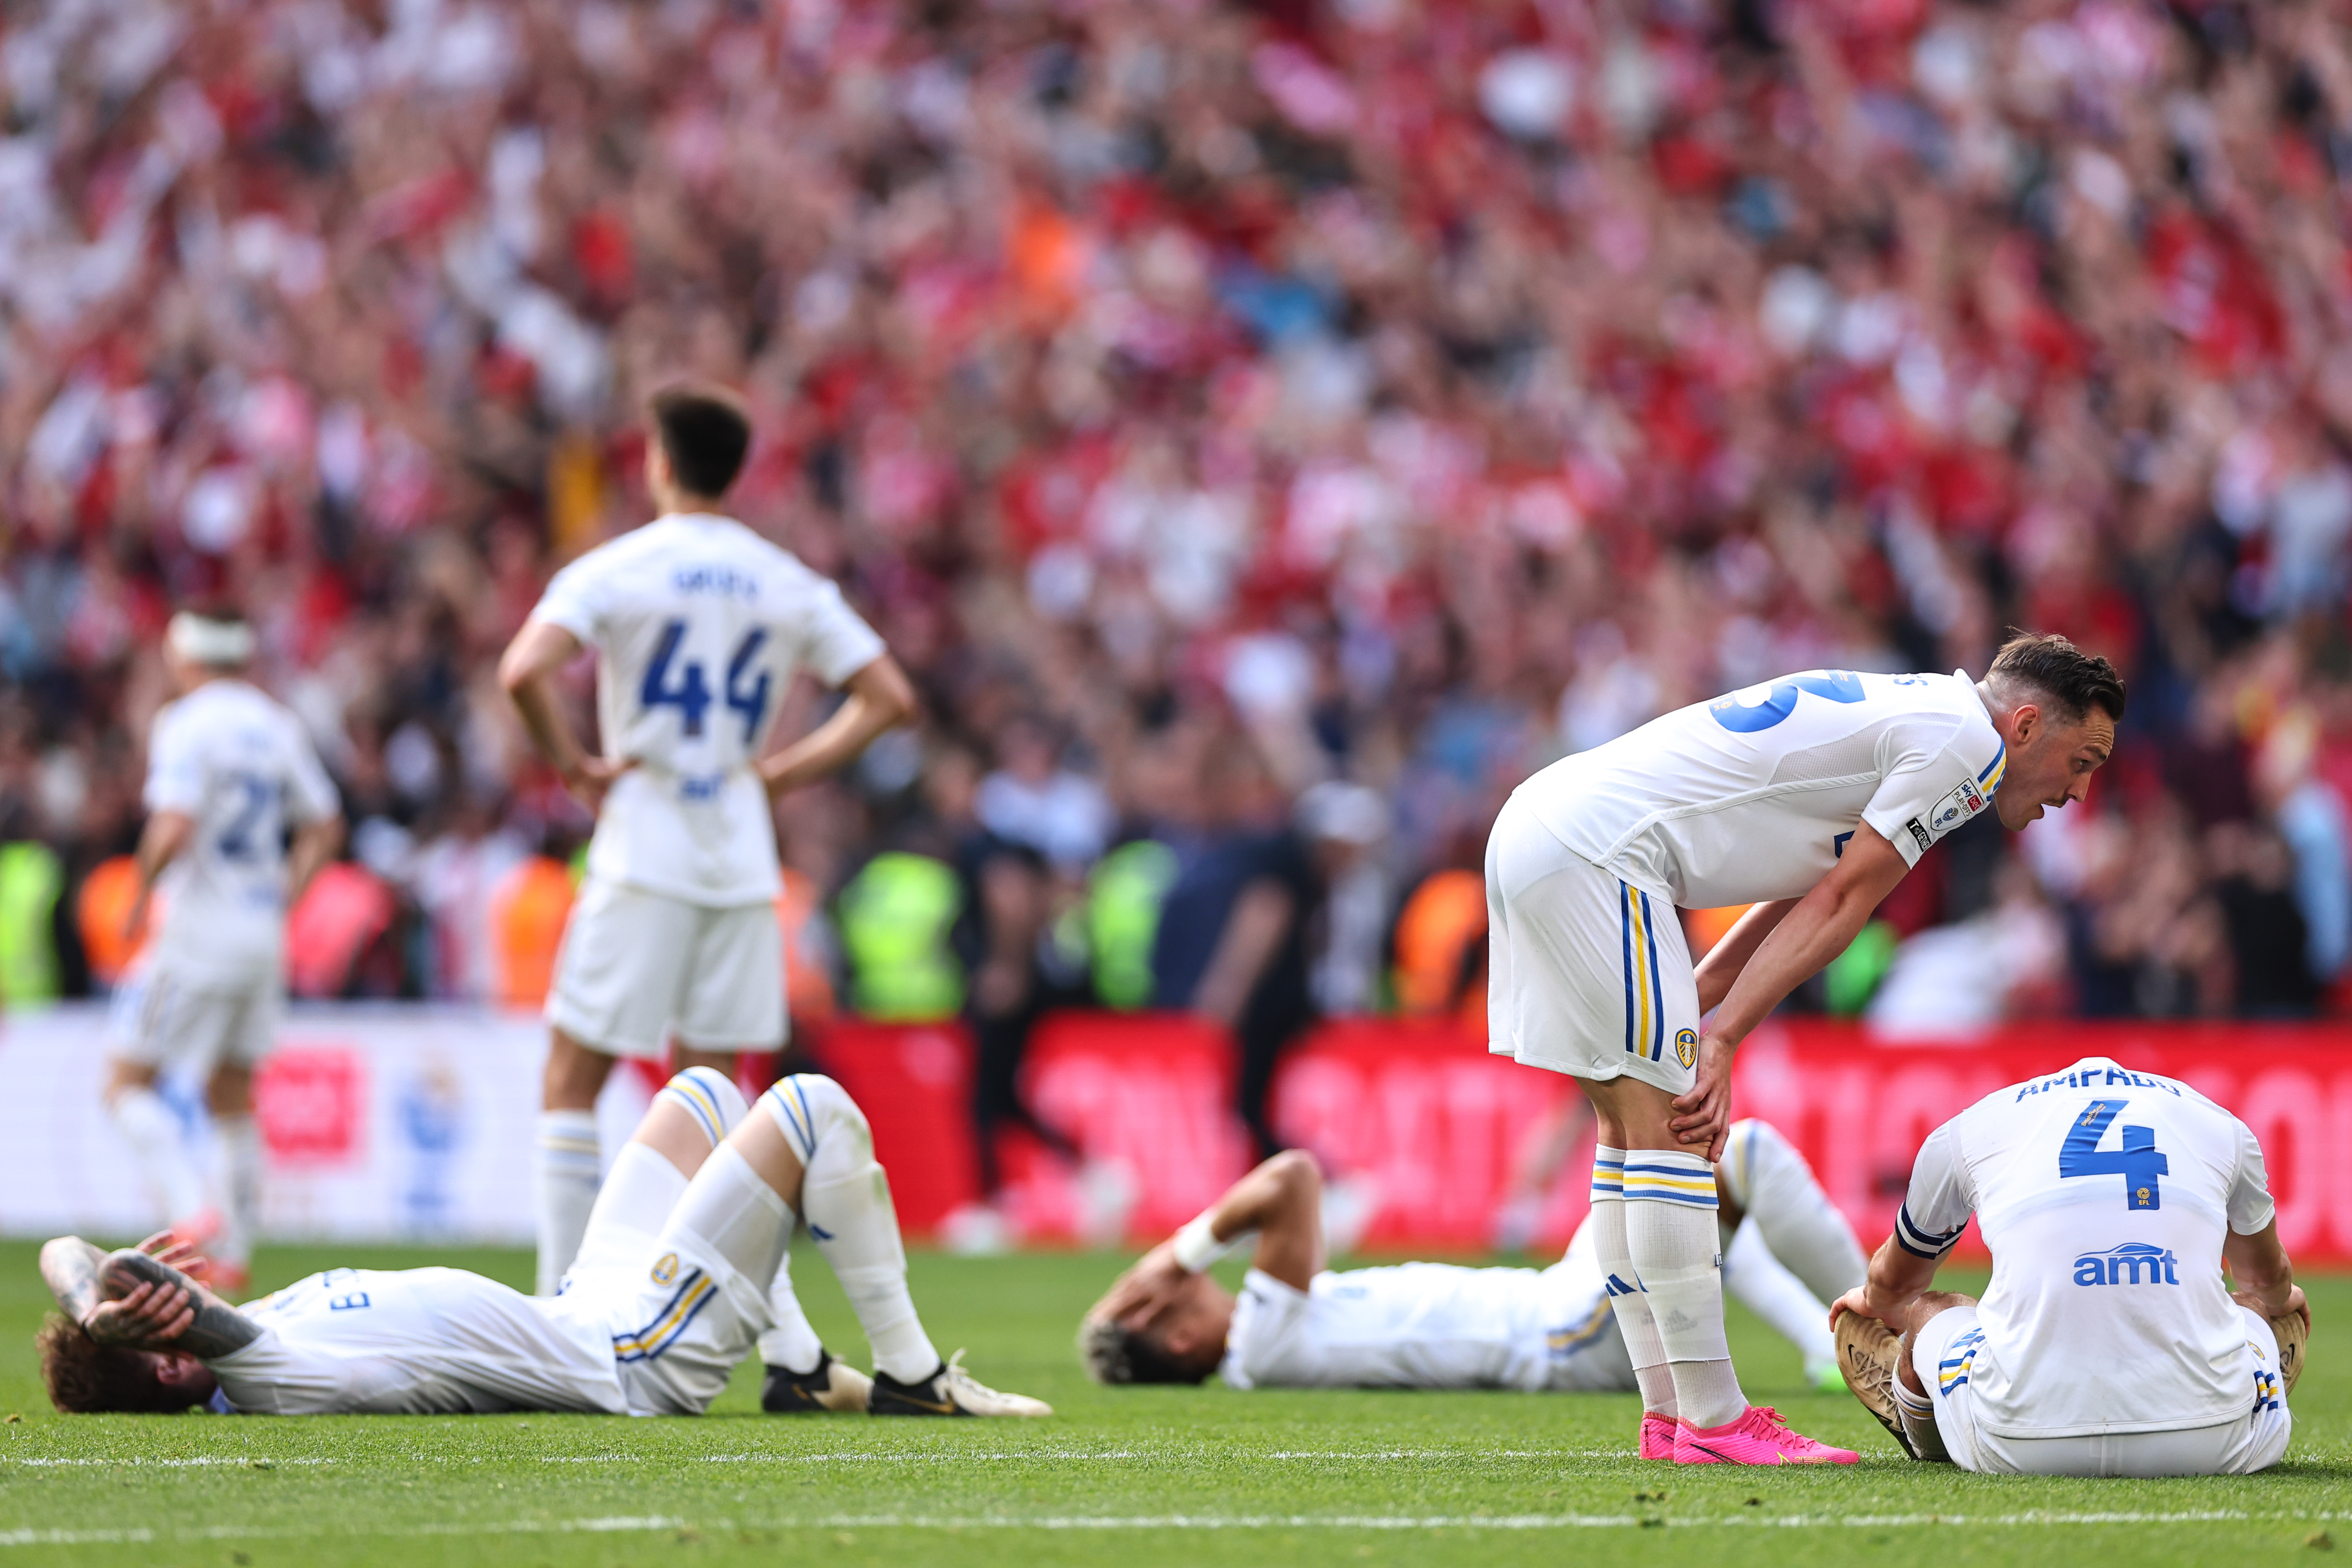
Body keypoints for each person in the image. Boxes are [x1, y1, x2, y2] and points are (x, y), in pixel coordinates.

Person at [1487, 631, 2125, 1464]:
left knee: (1628, 1127)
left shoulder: (1927, 714)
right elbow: (1840, 900)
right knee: (1676, 1128)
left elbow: (1799, 878)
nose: (2079, 791)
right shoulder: (1965, 745)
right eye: (2083, 760)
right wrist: (1720, 1037)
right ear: (2028, 725)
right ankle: (1713, 1419)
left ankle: (1672, 1414)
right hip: (1601, 853)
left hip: (1546, 829)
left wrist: (1707, 994)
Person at [497, 383, 918, 1310]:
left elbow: (523, 667)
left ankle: (561, 1305)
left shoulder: (621, 566)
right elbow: (890, 695)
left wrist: (573, 762)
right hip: (737, 844)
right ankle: (688, 1314)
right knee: (715, 1095)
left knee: (573, 1074)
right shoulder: (784, 578)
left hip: (645, 835)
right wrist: (781, 772)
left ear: (657, 459)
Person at [36, 1066, 1049, 1421]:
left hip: (582, 1304)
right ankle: (917, 1376)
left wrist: (88, 1300)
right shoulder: (271, 1376)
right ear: (173, 1360)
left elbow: (69, 1248)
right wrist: (124, 1294)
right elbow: (172, 1300)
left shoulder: (249, 1337)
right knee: (812, 1107)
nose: (168, 1280)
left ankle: (794, 1367)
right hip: (632, 1355)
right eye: (157, 1316)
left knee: (699, 1096)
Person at [1080, 1119, 1864, 1413]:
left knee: (1684, 1199)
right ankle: (1875, 1321)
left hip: (1554, 1307)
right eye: (1152, 1298)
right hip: (1559, 1332)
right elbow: (1292, 1176)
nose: (1174, 1283)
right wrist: (1172, 1251)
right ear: (1178, 1341)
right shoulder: (1259, 1340)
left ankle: (1824, 1339)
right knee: (1741, 1153)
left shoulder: (1269, 1337)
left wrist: (1166, 1270)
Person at [1830, 1057, 2305, 1477]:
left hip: (2014, 1441)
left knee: (1934, 1309)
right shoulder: (2222, 1126)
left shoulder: (1968, 1129)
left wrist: (1875, 1302)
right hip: (2214, 1444)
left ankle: (1931, 1432)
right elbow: (2263, 1279)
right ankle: (2249, 1389)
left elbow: (1899, 1284)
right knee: (2253, 1309)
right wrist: (2283, 1302)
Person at [106, 610, 345, 1298]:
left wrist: (138, 892)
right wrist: (283, 898)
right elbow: (326, 825)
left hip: (195, 934)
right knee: (232, 1091)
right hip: (259, 936)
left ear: (185, 655)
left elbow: (175, 821)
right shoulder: (277, 723)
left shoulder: (185, 723)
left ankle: (189, 1210)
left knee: (124, 1083)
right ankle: (235, 1250)